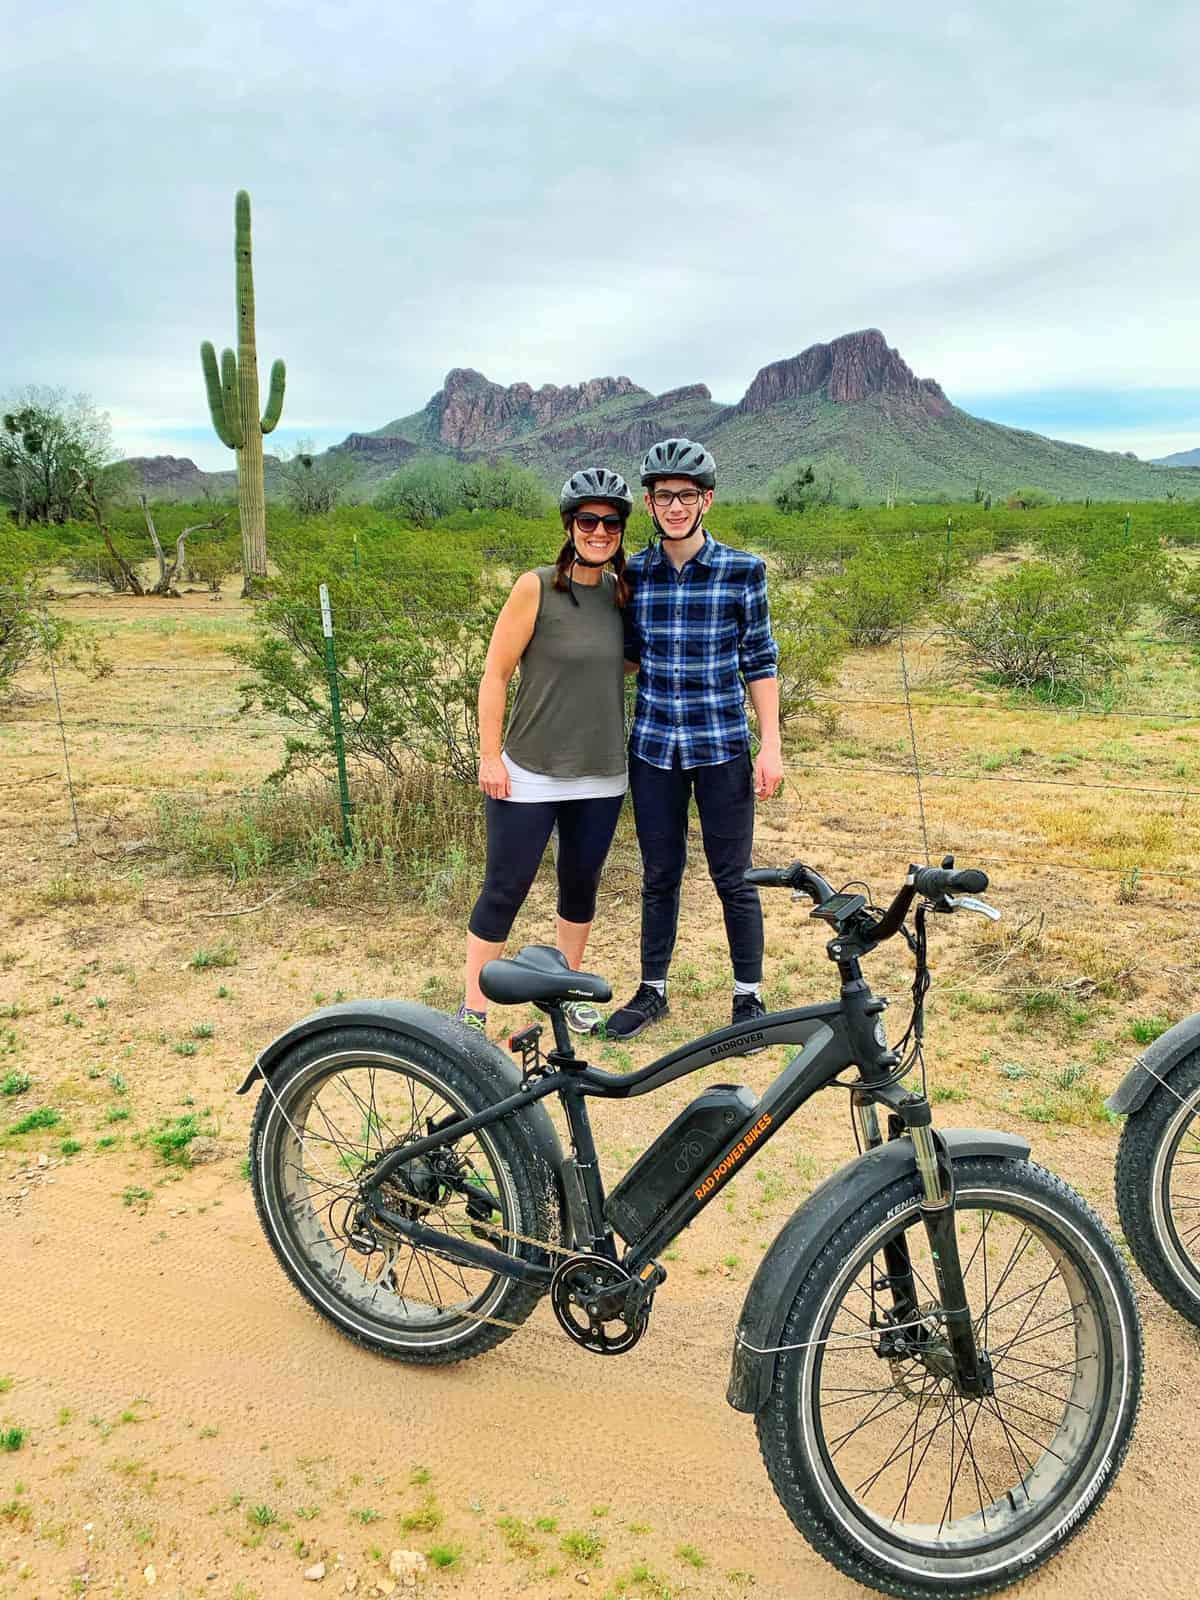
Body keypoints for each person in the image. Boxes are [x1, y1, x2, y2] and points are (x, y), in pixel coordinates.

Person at [603, 437, 782, 1041]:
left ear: (705, 499)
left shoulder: (742, 571)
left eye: (685, 496)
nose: (674, 507)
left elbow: (758, 660)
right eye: (662, 497)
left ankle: (747, 998)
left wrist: (772, 745)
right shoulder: (633, 575)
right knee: (660, 873)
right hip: (654, 748)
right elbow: (624, 656)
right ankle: (652, 991)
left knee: (733, 875)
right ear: (649, 505)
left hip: (722, 747)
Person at [458, 467, 633, 1036]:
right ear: (570, 525)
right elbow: (495, 673)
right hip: (528, 769)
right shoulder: (535, 587)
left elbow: (629, 662)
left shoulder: (621, 593)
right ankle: (474, 1007)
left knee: (580, 884)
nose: (599, 531)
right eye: (588, 521)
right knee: (505, 886)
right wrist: (489, 756)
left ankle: (570, 989)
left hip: (601, 773)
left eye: (610, 523)